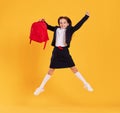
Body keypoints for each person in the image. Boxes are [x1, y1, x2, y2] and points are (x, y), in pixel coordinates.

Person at [34, 12, 94, 96]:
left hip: (64, 51)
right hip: (56, 51)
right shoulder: (56, 29)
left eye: (64, 22)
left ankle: (86, 84)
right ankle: (40, 88)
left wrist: (86, 17)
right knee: (51, 70)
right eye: (60, 22)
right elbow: (47, 26)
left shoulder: (70, 29)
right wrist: (42, 21)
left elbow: (78, 25)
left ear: (68, 23)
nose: (62, 24)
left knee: (74, 69)